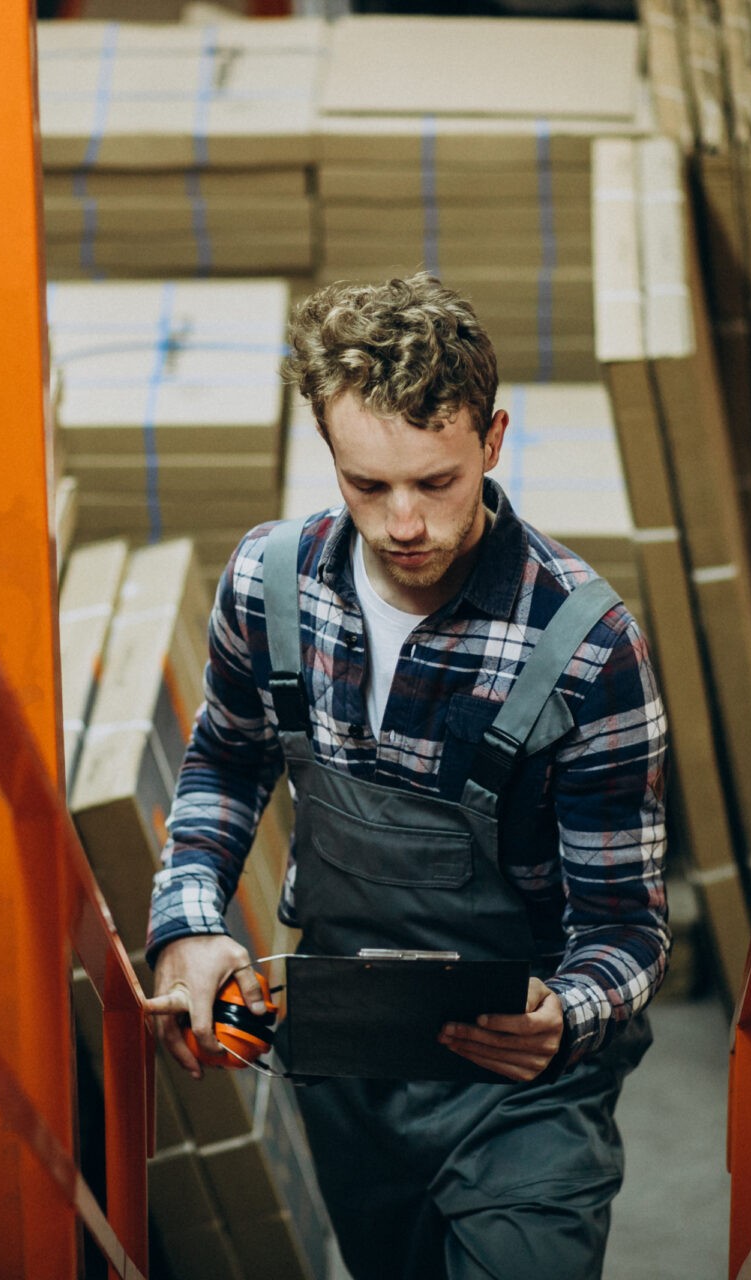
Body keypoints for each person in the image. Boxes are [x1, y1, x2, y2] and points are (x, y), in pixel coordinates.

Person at [142, 273, 669, 1278]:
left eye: (436, 481)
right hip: (349, 1054)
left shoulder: (588, 648)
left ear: (494, 440)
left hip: (526, 1084)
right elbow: (226, 758)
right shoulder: (272, 584)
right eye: (367, 484)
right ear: (328, 452)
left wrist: (573, 1011)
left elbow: (626, 929)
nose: (403, 523)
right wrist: (192, 919)